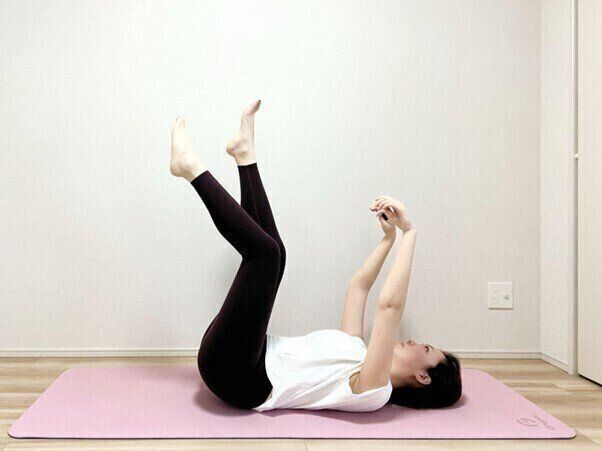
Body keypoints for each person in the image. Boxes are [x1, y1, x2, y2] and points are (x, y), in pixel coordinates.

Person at [169, 100, 462, 412]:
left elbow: (390, 307)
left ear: (422, 377)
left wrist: (410, 233)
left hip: (239, 378)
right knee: (277, 253)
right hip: (242, 353)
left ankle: (190, 169)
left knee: (265, 256)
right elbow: (359, 287)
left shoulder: (373, 389)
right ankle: (245, 156)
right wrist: (388, 238)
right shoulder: (355, 348)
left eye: (425, 349)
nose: (414, 342)